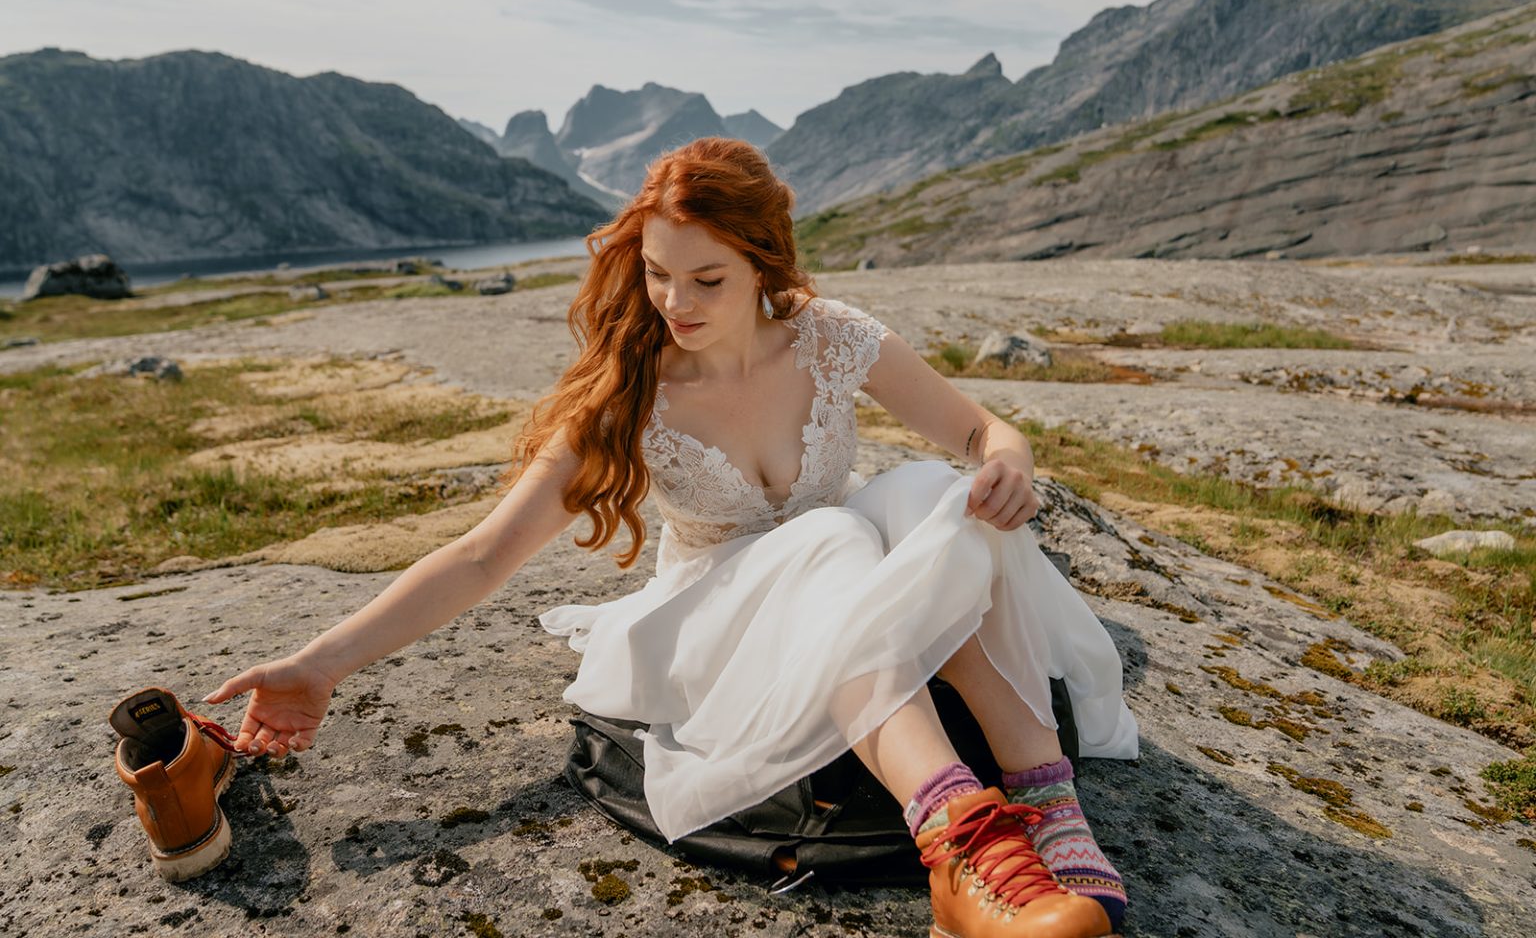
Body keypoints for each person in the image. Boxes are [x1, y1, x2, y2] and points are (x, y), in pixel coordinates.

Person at [205, 137, 1138, 938]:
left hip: (840, 594)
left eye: (706, 278)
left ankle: (1044, 799)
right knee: (833, 542)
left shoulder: (828, 337)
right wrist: (322, 663)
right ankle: (960, 845)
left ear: (764, 263)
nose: (674, 301)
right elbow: (486, 554)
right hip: (713, 621)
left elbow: (979, 430)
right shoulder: (633, 394)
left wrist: (1007, 460)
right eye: (655, 272)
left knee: (934, 490)